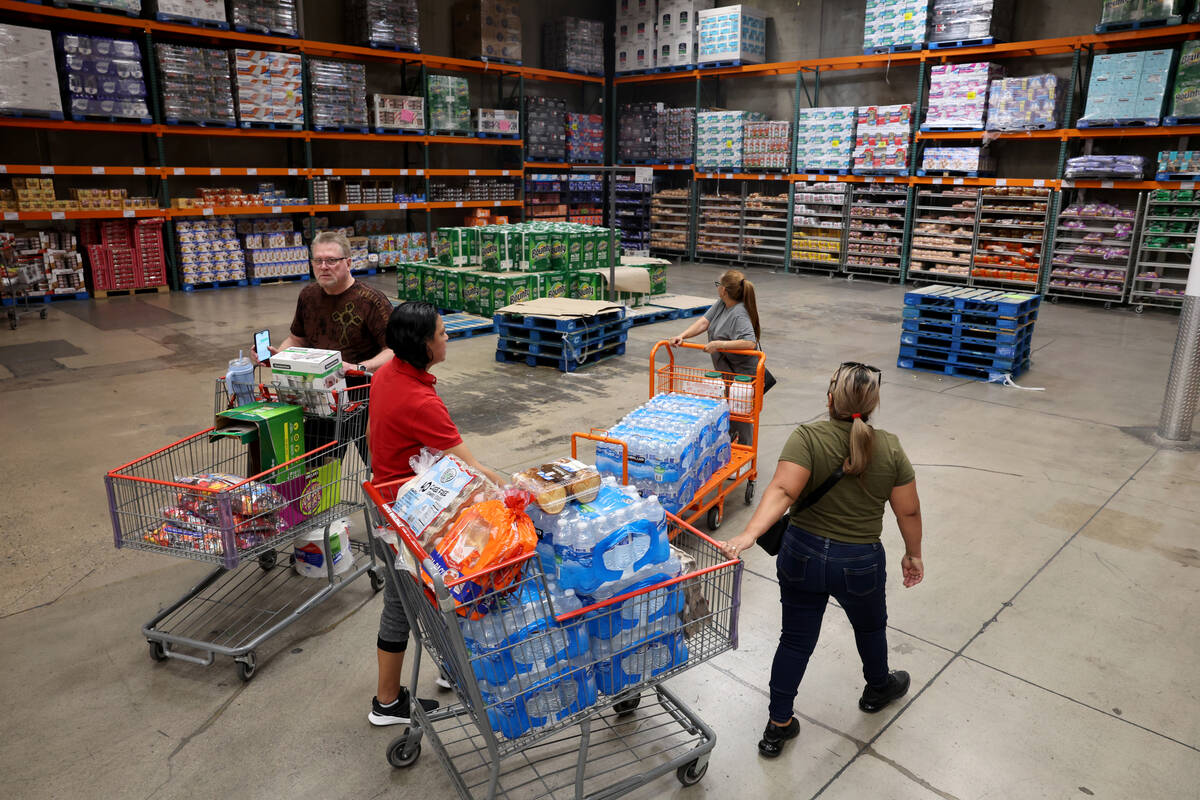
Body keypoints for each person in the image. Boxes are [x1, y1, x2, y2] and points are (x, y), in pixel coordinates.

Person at [714, 362, 925, 759]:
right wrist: (913, 554)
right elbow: (908, 512)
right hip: (859, 561)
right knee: (870, 627)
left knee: (795, 639)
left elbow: (782, 490)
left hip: (801, 555)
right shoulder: (891, 447)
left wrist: (749, 534)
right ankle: (878, 686)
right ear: (874, 404)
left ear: (830, 400)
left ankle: (778, 725)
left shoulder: (807, 437)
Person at [366, 301, 507, 727]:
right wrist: (517, 491)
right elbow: (471, 467)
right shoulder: (419, 401)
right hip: (407, 516)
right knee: (407, 602)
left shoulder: (389, 372)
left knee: (429, 598)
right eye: (442, 333)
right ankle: (387, 703)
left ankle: (449, 668)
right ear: (424, 345)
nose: (448, 338)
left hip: (394, 500)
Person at [268, 230, 394, 376]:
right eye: (318, 260)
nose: (323, 267)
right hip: (316, 383)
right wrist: (278, 357)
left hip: (360, 387)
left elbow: (394, 350)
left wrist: (357, 368)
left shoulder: (372, 301)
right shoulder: (308, 295)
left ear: (348, 263)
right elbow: (296, 340)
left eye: (331, 260)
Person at [670, 269, 762, 445]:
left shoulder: (739, 313)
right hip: (726, 370)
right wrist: (682, 336)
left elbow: (749, 343)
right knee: (728, 410)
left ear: (724, 290)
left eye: (718, 284)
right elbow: (705, 322)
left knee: (741, 414)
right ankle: (728, 447)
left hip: (743, 375)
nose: (717, 288)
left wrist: (719, 344)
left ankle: (745, 454)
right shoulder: (722, 304)